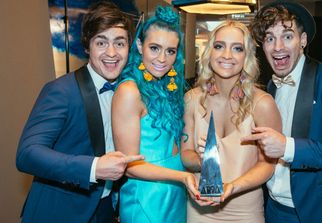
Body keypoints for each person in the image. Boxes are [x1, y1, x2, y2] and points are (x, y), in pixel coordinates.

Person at [15, 2, 144, 222]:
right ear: (87, 46)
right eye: (101, 42)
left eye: (119, 43)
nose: (111, 53)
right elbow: (27, 154)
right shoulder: (61, 91)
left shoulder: (129, 92)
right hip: (60, 212)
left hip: (105, 210)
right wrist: (94, 168)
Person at [246, 1, 322, 223]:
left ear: (302, 40)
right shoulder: (271, 87)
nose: (278, 46)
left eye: (287, 36)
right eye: (270, 38)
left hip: (317, 211)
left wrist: (288, 147)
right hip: (274, 208)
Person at [181, 20, 281, 222]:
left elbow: (268, 165)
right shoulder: (192, 99)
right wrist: (205, 161)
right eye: (219, 46)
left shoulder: (262, 103)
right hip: (201, 207)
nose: (227, 55)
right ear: (210, 52)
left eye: (237, 48)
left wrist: (232, 186)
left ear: (247, 57)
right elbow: (186, 154)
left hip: (245, 211)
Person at [111, 6, 200, 223]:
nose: (162, 59)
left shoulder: (167, 86)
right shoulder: (129, 91)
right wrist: (182, 176)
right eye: (154, 48)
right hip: (146, 197)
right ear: (140, 46)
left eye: (170, 51)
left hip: (174, 193)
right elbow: (130, 166)